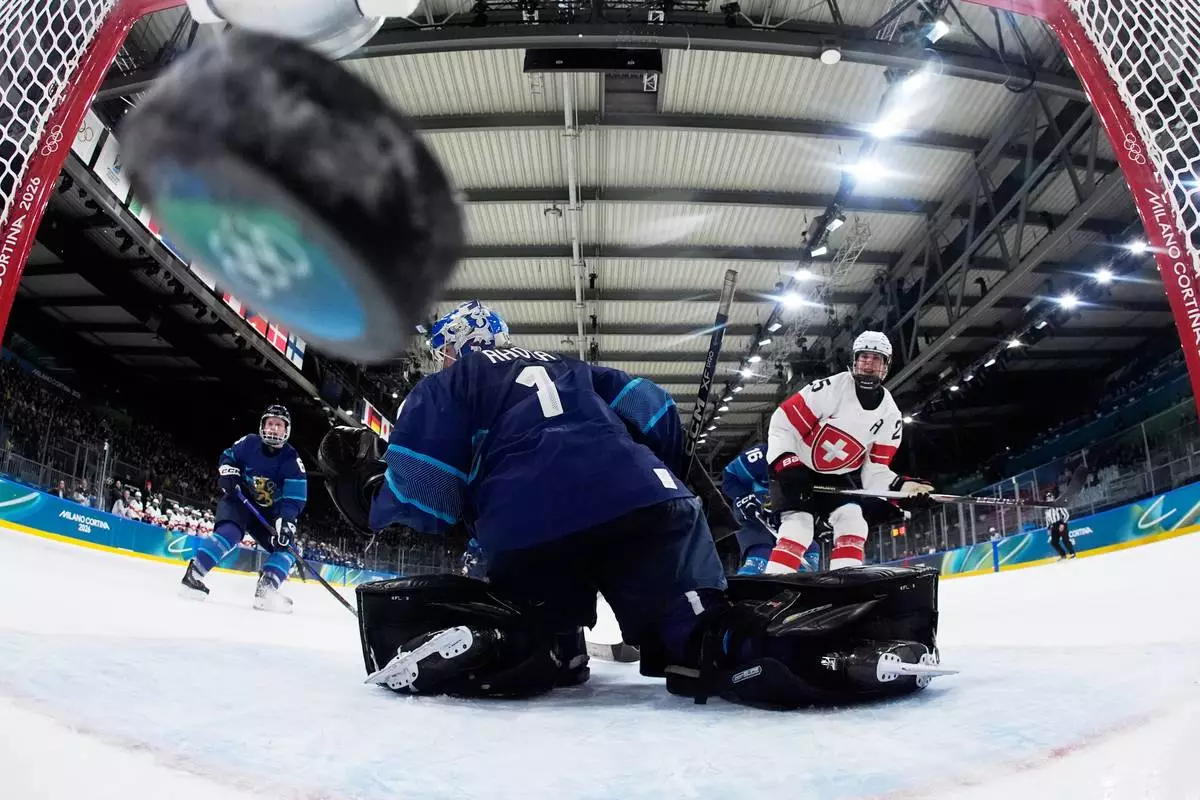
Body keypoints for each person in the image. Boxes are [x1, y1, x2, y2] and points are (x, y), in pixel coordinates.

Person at [319, 302, 951, 708]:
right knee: (701, 630)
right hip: (648, 500)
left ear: (453, 348)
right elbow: (656, 411)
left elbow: (422, 490)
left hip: (530, 520)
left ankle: (514, 641)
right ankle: (842, 651)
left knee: (543, 635)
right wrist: (679, 497)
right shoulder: (571, 366)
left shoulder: (449, 382)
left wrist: (362, 497)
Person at [764, 331, 934, 574]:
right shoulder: (829, 389)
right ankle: (772, 591)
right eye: (863, 357)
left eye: (876, 359)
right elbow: (783, 424)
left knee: (854, 521)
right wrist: (788, 466)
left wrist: (905, 490)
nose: (868, 364)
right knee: (798, 528)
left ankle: (845, 584)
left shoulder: (890, 416)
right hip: (796, 469)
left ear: (886, 365)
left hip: (834, 475)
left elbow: (875, 471)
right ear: (854, 361)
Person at [180, 405, 308, 612]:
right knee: (230, 532)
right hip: (241, 500)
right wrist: (228, 474)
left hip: (268, 515)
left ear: (286, 430)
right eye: (270, 424)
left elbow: (293, 500)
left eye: (278, 425)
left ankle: (266, 589)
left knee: (289, 548)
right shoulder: (249, 443)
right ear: (262, 426)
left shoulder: (292, 461)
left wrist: (285, 524)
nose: (274, 429)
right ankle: (193, 576)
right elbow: (227, 456)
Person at [721, 444, 776, 575]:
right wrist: (745, 497)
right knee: (761, 554)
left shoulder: (812, 458)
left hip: (787, 510)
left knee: (809, 549)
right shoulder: (764, 453)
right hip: (754, 509)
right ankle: (743, 592)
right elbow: (730, 474)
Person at [1045, 493, 1076, 560]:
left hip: (1060, 523)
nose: (1049, 499)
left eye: (1050, 497)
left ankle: (1072, 554)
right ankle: (1063, 555)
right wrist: (1048, 528)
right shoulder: (1046, 509)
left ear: (1053, 498)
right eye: (1048, 497)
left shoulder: (1058, 505)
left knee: (1065, 540)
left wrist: (1063, 524)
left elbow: (1066, 515)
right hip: (1054, 526)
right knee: (1053, 542)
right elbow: (1048, 519)